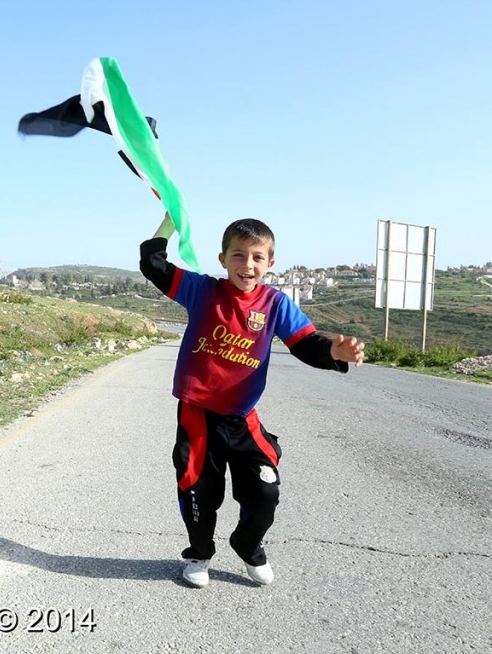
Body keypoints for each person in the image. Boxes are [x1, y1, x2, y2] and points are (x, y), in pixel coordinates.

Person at [139, 212, 364, 588]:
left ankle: (248, 545)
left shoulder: (276, 303)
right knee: (197, 488)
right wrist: (169, 222)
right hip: (198, 415)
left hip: (243, 420)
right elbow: (152, 263)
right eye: (239, 255)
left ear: (270, 263)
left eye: (257, 257)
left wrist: (334, 353)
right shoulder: (202, 291)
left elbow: (306, 344)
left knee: (265, 490)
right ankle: (199, 554)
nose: (248, 265)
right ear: (222, 259)